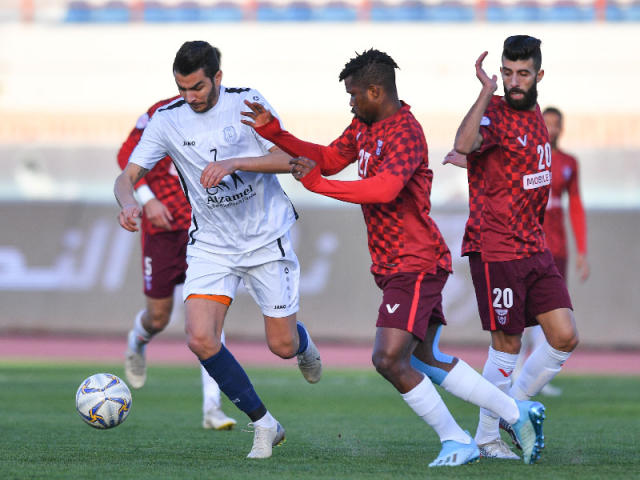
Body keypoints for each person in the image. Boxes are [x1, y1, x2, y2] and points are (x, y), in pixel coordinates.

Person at [238, 48, 546, 467]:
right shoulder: (365, 126)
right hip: (395, 265)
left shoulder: (405, 132)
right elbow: (328, 159)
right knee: (426, 358)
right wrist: (274, 131)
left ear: (375, 91)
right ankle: (516, 413)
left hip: (415, 263)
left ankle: (457, 440)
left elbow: (383, 189)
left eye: (353, 95)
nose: (349, 102)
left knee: (387, 358)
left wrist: (317, 187)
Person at [114, 41, 322, 459]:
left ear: (217, 79)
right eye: (182, 88)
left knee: (280, 346)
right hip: (212, 244)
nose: (189, 97)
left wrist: (235, 162)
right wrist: (129, 202)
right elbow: (128, 173)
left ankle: (303, 346)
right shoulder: (166, 120)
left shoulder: (247, 104)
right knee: (200, 337)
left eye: (196, 88)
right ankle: (264, 424)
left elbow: (293, 158)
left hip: (266, 237)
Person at [451, 35, 579, 459]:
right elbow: (465, 144)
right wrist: (485, 92)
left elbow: (513, 165)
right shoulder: (495, 112)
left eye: (522, 73)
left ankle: (512, 410)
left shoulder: (537, 111)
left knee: (564, 336)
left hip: (534, 247)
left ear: (538, 75)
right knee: (506, 345)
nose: (513, 81)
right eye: (507, 73)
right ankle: (487, 438)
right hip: (497, 247)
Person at [117, 96, 237, 430]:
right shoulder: (160, 112)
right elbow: (125, 158)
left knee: (209, 320)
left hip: (207, 229)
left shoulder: (230, 111)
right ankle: (138, 340)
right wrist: (148, 200)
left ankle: (213, 409)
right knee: (159, 317)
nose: (194, 94)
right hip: (164, 229)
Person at [516, 106, 590, 397]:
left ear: (562, 128)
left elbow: (576, 205)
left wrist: (582, 250)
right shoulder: (526, 157)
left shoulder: (568, 162)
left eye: (555, 124)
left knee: (550, 310)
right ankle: (516, 370)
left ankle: (532, 374)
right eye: (545, 124)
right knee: (520, 310)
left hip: (556, 247)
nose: (551, 129)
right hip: (526, 244)